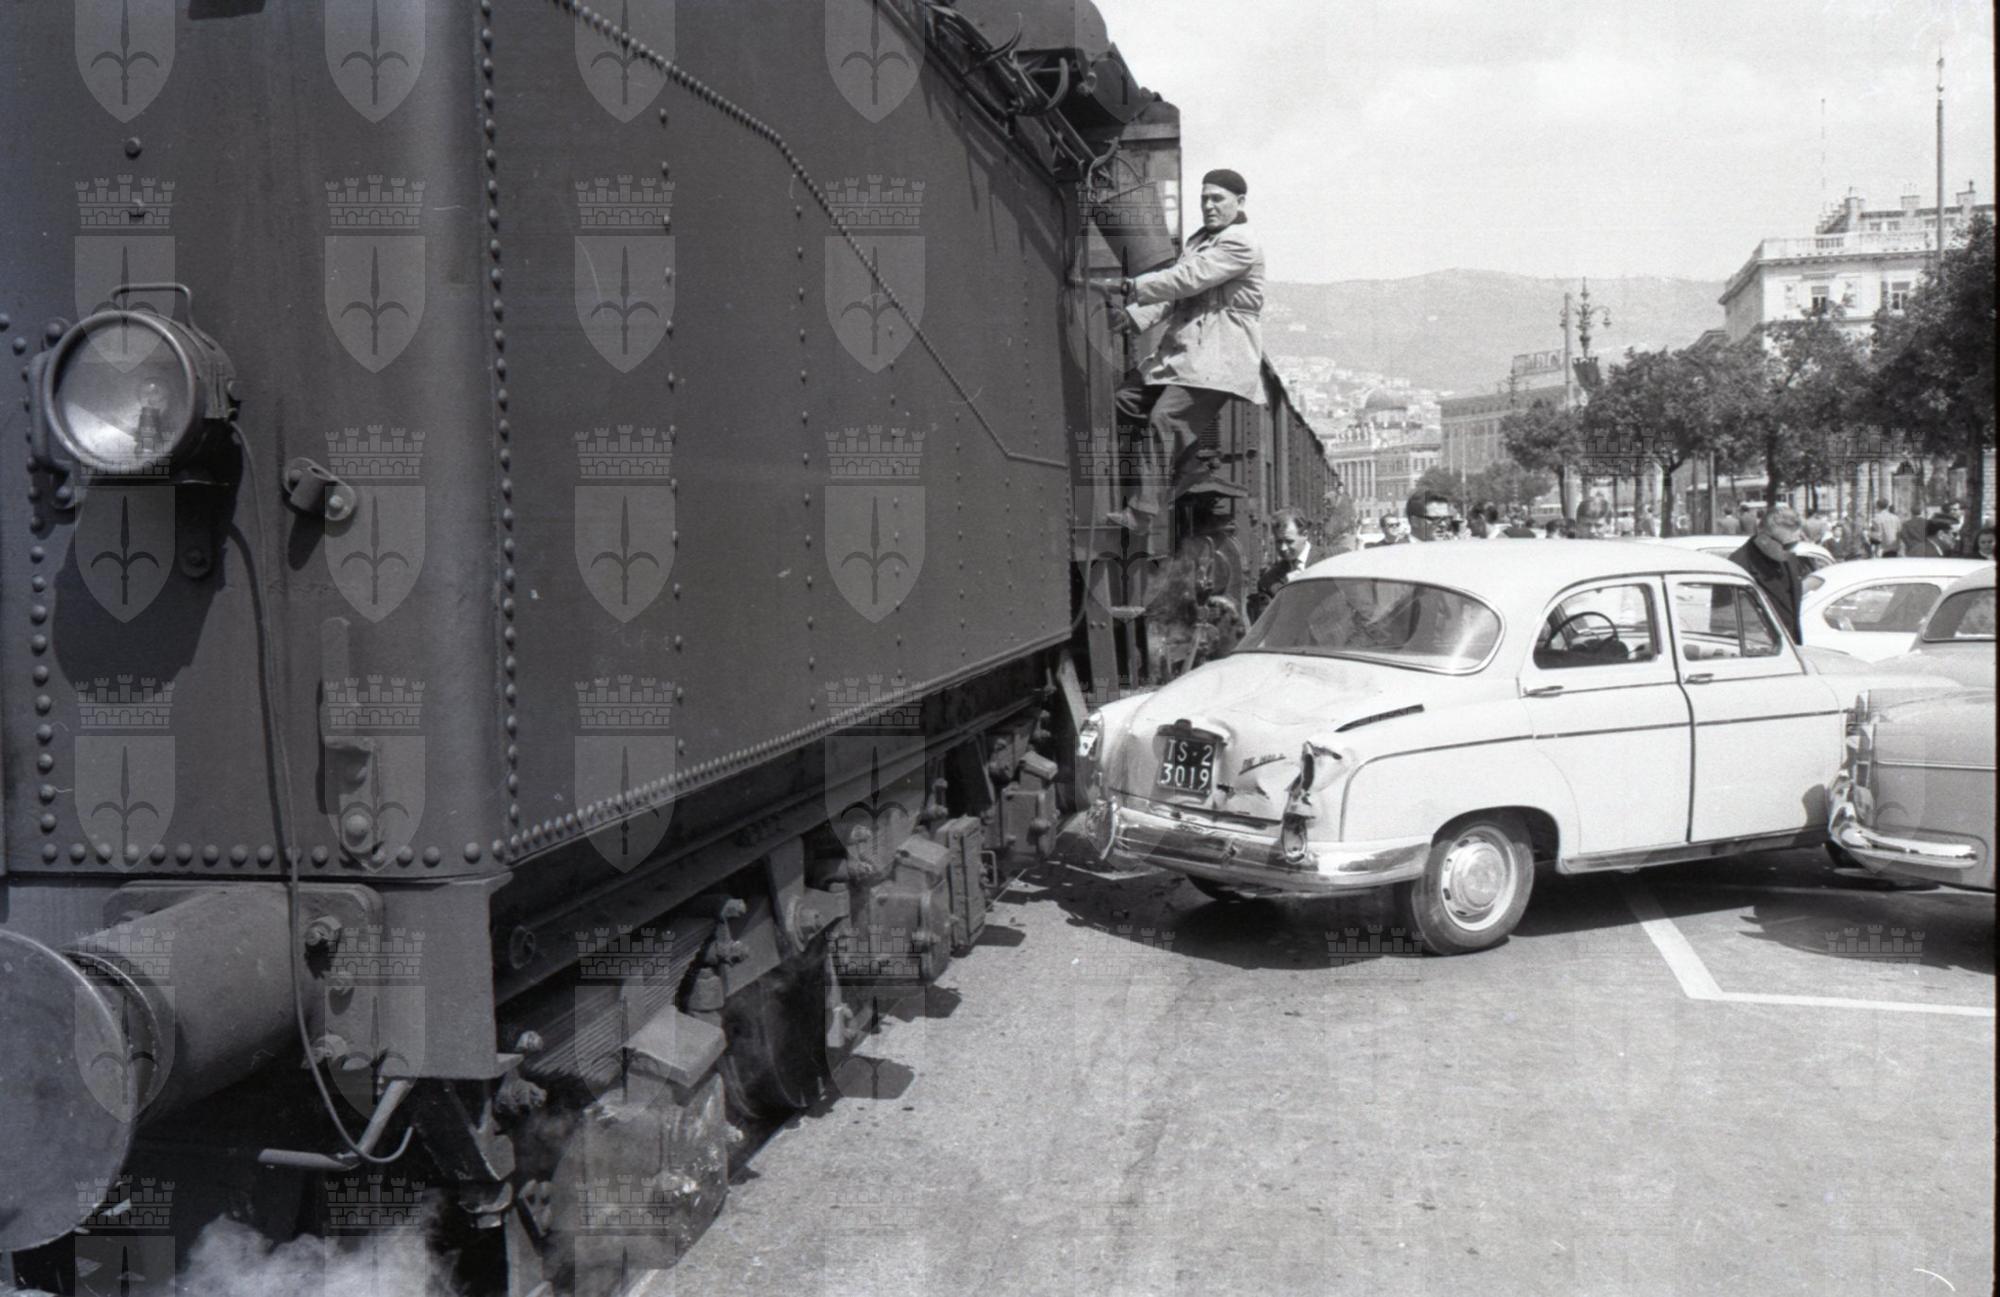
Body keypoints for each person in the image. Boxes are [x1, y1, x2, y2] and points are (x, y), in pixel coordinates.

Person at [1100, 168, 1265, 530]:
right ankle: (1190, 465)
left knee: (1165, 418)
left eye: (1217, 198)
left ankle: (1142, 512)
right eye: (1204, 198)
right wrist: (1132, 317)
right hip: (1188, 354)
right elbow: (1176, 293)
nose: (1209, 205)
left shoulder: (1240, 243)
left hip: (1218, 358)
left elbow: (1187, 279)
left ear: (1240, 202)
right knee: (1126, 401)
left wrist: (1132, 287)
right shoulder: (1199, 241)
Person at [1730, 505, 1809, 642]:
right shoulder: (1738, 568)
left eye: (1796, 543)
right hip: (1761, 650)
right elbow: (1726, 626)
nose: (1792, 551)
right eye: (1788, 545)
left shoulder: (1789, 559)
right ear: (1764, 538)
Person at [1249, 508, 1311, 620]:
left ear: (1305, 535)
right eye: (1279, 541)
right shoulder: (1268, 581)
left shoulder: (1331, 559)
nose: (1283, 548)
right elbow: (1266, 622)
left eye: (1289, 541)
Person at [1321, 478, 1361, 555]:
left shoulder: (1346, 497)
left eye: (1341, 488)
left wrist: (1353, 518)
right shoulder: (1330, 496)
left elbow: (1352, 511)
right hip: (1333, 528)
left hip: (1343, 529)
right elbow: (1325, 506)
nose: (1339, 490)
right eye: (1338, 488)